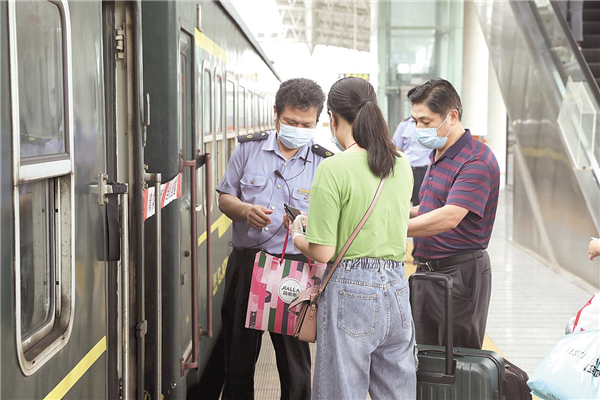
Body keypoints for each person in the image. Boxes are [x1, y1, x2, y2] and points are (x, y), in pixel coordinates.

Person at [290, 77, 416, 400]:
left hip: (351, 290)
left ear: (332, 118)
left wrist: (299, 236)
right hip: (397, 286)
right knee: (397, 392)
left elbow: (323, 251)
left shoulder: (333, 169)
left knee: (341, 392)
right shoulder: (402, 165)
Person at [216, 78, 331, 400]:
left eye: (306, 124)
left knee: (294, 361)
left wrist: (305, 225)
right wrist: (244, 210)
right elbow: (225, 197)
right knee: (237, 355)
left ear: (318, 121)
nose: (298, 129)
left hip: (296, 268)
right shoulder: (248, 149)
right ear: (276, 114)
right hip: (247, 263)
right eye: (291, 122)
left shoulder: (326, 163)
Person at [407, 78, 500, 350]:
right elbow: (429, 208)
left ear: (452, 116)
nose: (418, 129)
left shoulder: (475, 160)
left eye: (425, 122)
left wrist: (391, 227)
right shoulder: (439, 153)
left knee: (456, 362)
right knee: (424, 358)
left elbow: (449, 216)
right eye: (415, 121)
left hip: (459, 275)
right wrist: (388, 213)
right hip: (427, 271)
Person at [392, 87, 431, 206]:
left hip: (425, 171)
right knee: (402, 203)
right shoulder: (404, 125)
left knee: (421, 206)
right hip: (407, 169)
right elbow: (396, 148)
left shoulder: (431, 124)